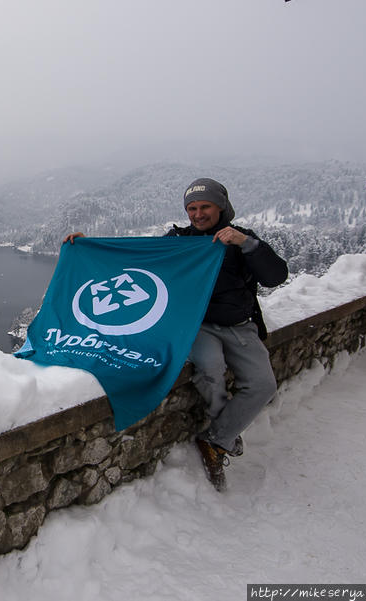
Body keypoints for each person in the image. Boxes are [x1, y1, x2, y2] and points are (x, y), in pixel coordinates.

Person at [64, 177, 288, 491]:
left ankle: (218, 435)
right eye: (192, 208)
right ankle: (222, 436)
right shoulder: (179, 239)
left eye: (204, 207)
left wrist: (246, 244)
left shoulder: (241, 240)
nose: (197, 214)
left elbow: (276, 276)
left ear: (221, 207)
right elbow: (140, 259)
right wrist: (89, 245)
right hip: (195, 325)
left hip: (240, 325)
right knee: (210, 367)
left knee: (263, 384)